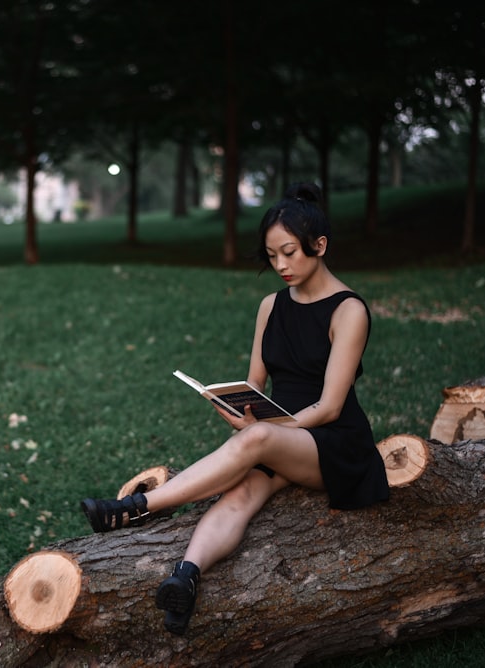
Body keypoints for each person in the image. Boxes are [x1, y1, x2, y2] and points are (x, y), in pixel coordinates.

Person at [79, 182, 389, 635]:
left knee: (258, 439)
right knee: (240, 495)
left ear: (319, 246)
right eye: (271, 255)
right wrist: (234, 404)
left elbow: (329, 406)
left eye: (289, 253)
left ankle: (138, 506)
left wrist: (263, 431)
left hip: (334, 444)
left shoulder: (348, 310)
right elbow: (255, 383)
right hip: (278, 435)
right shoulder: (271, 306)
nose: (280, 265)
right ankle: (186, 576)